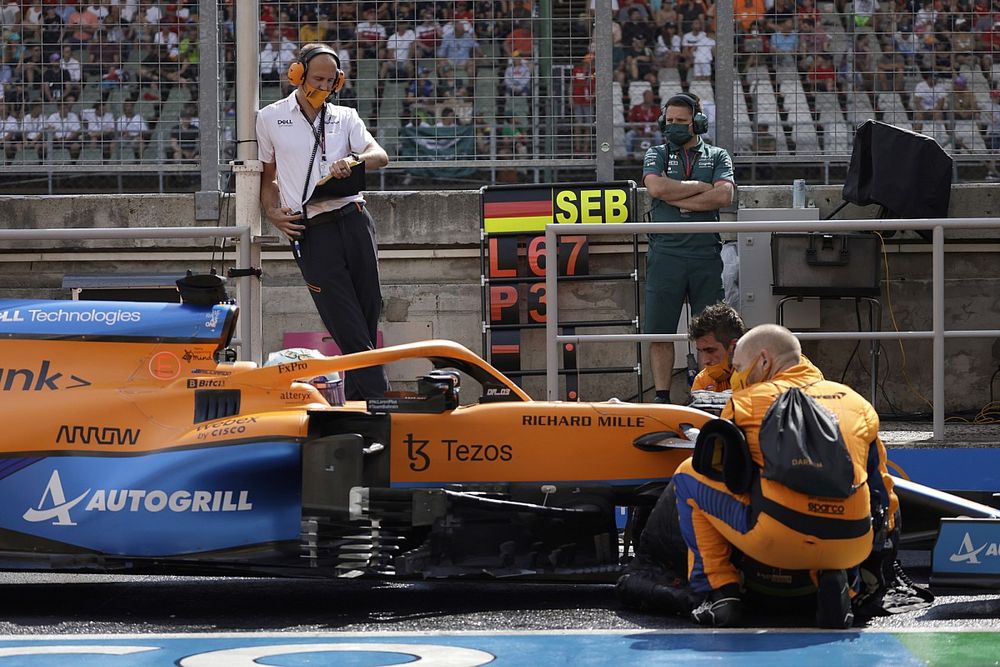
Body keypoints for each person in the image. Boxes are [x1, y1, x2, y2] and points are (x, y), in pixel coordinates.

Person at [620, 324, 899, 628]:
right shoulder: (857, 403)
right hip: (852, 543)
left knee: (689, 476)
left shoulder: (744, 402)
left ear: (764, 361)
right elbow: (882, 490)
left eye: (738, 367)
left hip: (777, 539)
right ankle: (848, 583)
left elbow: (729, 476)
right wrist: (880, 557)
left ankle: (717, 593)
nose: (736, 376)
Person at [256, 43, 389, 400]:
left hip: (355, 220)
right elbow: (267, 177)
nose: (323, 86)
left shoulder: (345, 116)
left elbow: (380, 155)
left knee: (367, 313)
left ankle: (363, 404)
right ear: (297, 74)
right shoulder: (270, 117)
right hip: (311, 229)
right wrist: (272, 213)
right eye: (317, 78)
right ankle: (381, 404)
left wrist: (354, 161)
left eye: (331, 81)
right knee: (346, 323)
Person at [642, 92, 734, 404]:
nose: (674, 127)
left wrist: (675, 195)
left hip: (705, 254)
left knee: (712, 329)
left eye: (681, 122)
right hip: (665, 253)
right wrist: (698, 189)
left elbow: (723, 197)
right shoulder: (656, 153)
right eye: (669, 121)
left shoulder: (718, 155)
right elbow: (655, 187)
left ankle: (708, 392)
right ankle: (662, 397)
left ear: (697, 123)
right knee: (659, 330)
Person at [687, 302, 745, 392]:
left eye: (710, 351)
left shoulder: (759, 378)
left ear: (734, 346)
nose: (704, 360)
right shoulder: (702, 380)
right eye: (700, 351)